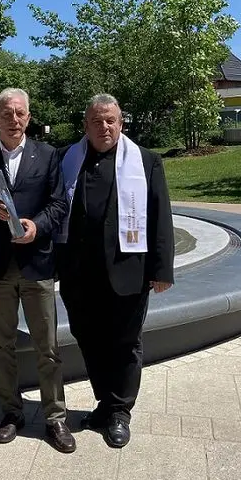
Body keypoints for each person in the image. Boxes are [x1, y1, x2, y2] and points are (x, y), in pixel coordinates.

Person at [56, 94, 174, 448]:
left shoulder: (146, 161)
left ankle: (120, 411)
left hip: (128, 271)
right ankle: (106, 403)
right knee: (88, 338)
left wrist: (162, 268)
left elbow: (160, 215)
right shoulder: (68, 159)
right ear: (86, 126)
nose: (104, 127)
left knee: (124, 343)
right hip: (79, 273)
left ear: (121, 124)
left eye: (110, 121)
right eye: (97, 121)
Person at [0, 88, 75, 453]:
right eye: (6, 114)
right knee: (2, 346)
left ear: (28, 117)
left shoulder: (47, 155)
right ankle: (11, 413)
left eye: (20, 114)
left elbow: (60, 204)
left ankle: (55, 417)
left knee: (48, 347)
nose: (14, 120)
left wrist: (37, 226)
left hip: (37, 262)